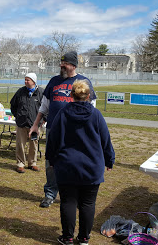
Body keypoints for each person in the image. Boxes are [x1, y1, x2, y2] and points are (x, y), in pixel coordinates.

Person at [46, 79, 114, 245]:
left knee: (68, 202)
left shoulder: (63, 114)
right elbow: (106, 140)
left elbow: (52, 140)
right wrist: (109, 159)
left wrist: (51, 159)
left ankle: (68, 236)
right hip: (91, 167)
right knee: (87, 203)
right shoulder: (96, 115)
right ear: (88, 96)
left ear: (71, 95)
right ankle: (83, 238)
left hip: (67, 166)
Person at [29, 51, 97, 208]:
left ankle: (74, 196)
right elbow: (44, 107)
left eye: (65, 64)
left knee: (75, 163)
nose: (61, 66)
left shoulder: (84, 82)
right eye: (61, 63)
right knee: (51, 162)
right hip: (54, 130)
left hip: (76, 132)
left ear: (73, 65)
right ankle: (50, 194)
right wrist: (35, 124)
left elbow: (91, 109)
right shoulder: (54, 81)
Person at [10, 72, 44, 173]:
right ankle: (20, 164)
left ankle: (32, 163)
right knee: (20, 144)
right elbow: (13, 105)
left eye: (27, 80)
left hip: (34, 124)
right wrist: (18, 115)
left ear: (33, 81)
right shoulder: (21, 91)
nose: (25, 81)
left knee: (33, 144)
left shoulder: (41, 92)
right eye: (25, 79)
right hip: (22, 123)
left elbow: (46, 107)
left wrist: (42, 120)